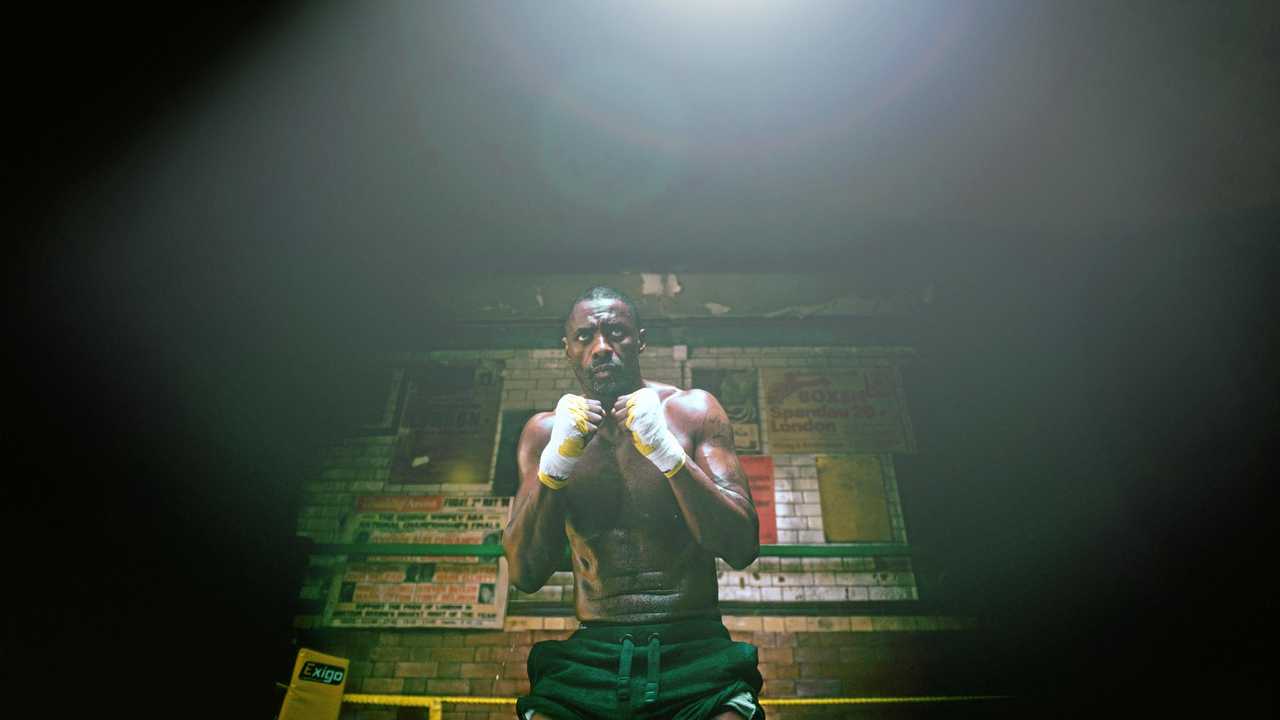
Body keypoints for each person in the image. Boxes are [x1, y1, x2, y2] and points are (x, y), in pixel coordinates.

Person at [504, 286, 764, 720]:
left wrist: (668, 454)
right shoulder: (544, 434)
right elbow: (525, 573)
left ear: (639, 340)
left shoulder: (693, 411)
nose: (602, 347)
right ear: (567, 348)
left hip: (694, 645)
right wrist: (555, 467)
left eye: (617, 332)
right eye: (585, 336)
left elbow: (742, 546)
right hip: (595, 650)